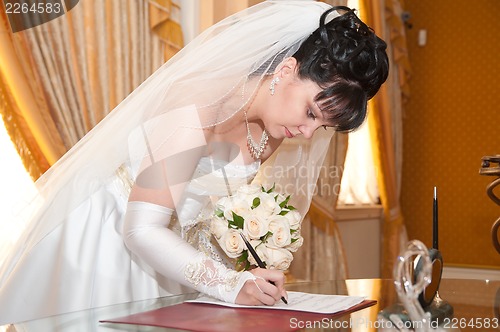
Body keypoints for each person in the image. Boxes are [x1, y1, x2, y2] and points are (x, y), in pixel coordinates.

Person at [0, 0, 388, 325]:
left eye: (321, 126)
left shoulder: (274, 127)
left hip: (175, 255)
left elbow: (207, 210)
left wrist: (246, 271)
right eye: (310, 111)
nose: (307, 132)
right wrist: (229, 284)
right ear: (286, 69)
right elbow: (141, 228)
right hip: (112, 245)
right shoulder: (197, 105)